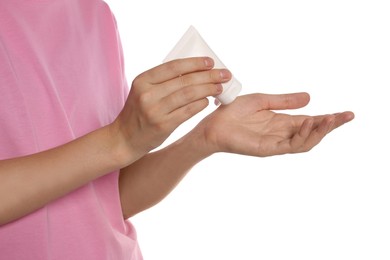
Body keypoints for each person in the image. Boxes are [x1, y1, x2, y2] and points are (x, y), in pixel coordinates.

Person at [0, 0, 354, 259]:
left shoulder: (94, 15)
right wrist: (120, 139)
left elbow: (105, 199)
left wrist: (205, 137)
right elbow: (112, 146)